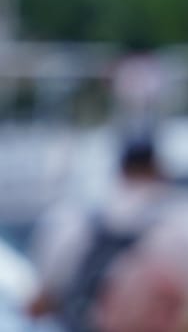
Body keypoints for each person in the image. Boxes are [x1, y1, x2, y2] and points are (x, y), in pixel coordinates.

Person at [28, 132, 175, 331]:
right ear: (157, 169)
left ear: (121, 169)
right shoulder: (174, 226)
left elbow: (39, 303)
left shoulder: (81, 219)